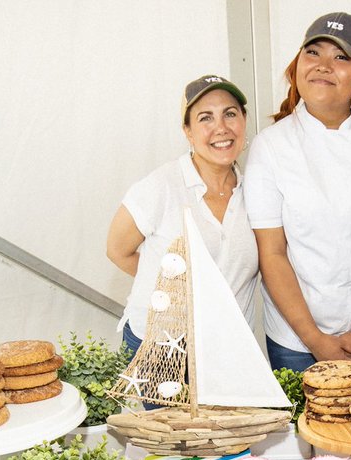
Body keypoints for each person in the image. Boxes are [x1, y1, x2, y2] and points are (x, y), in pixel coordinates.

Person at [243, 12, 351, 373]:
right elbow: (272, 253)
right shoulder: (270, 146)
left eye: (340, 57)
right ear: (296, 66)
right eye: (313, 53)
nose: (323, 66)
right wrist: (316, 341)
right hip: (297, 342)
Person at [106, 74, 258, 357]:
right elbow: (118, 251)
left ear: (244, 120)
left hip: (228, 351)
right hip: (158, 348)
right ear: (187, 131)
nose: (221, 128)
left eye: (230, 114)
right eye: (205, 118)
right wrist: (174, 288)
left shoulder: (257, 192)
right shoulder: (160, 186)